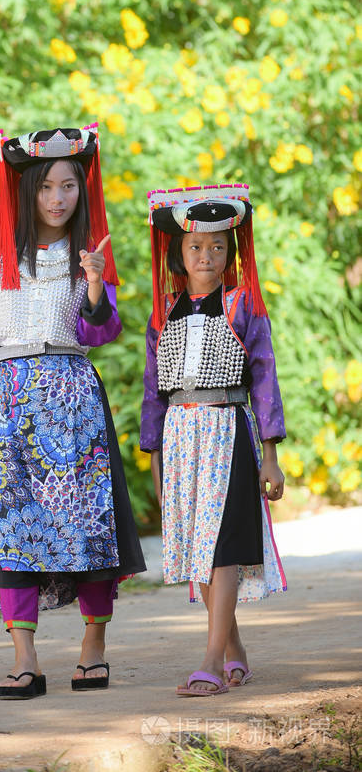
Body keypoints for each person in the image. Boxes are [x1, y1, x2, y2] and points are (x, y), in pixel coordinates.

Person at [0, 125, 145, 700]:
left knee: (87, 526)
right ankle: (25, 658)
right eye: (46, 187)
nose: (58, 198)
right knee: (12, 526)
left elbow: (103, 329)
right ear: (26, 191)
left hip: (73, 398)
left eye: (69, 186)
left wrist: (92, 284)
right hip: (8, 398)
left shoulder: (89, 256)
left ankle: (93, 648)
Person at [140, 183, 287, 697]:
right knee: (197, 552)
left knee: (221, 544)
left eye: (218, 245)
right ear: (178, 253)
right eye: (196, 246)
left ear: (232, 250)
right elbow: (152, 391)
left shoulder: (243, 303)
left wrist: (270, 455)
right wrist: (154, 457)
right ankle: (233, 649)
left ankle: (208, 659)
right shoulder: (165, 311)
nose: (207, 255)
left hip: (227, 431)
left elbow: (264, 377)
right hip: (181, 438)